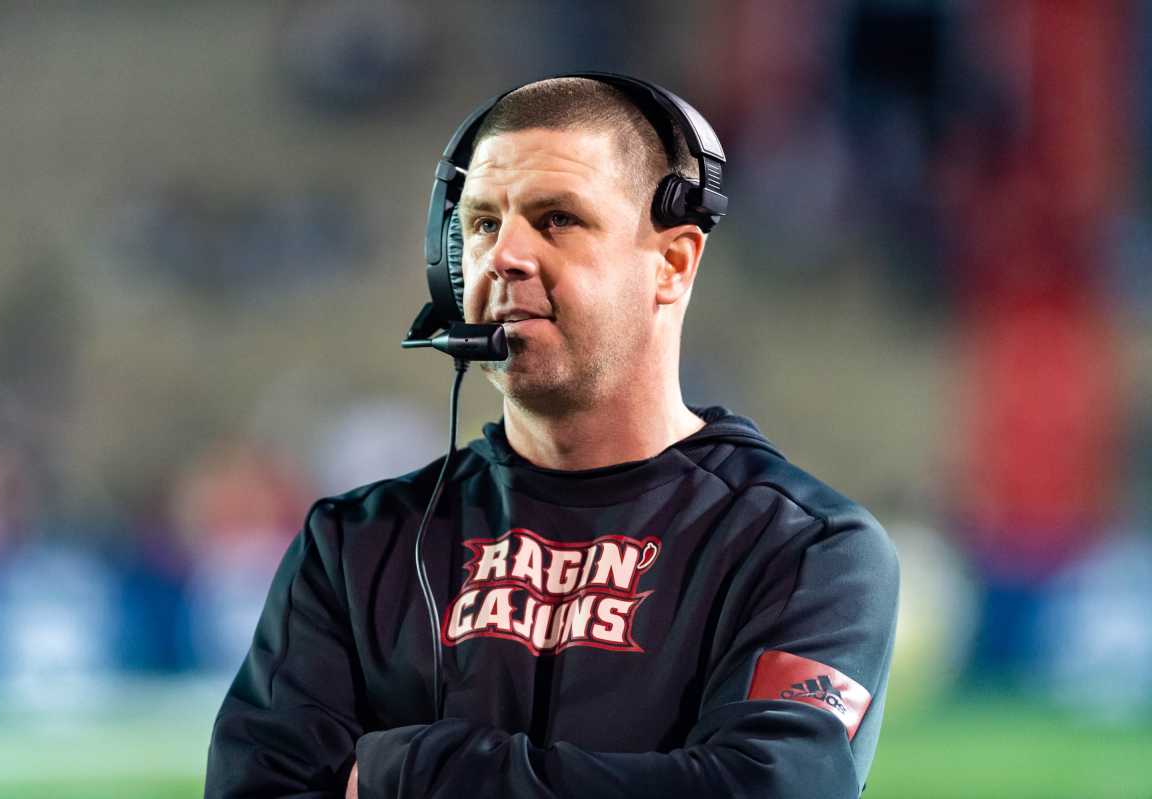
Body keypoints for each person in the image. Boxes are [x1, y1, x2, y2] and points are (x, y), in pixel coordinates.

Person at [205, 75, 900, 799]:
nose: (504, 254)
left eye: (557, 218)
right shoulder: (353, 544)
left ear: (673, 263)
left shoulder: (808, 549)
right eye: (480, 223)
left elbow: (768, 791)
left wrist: (412, 771)